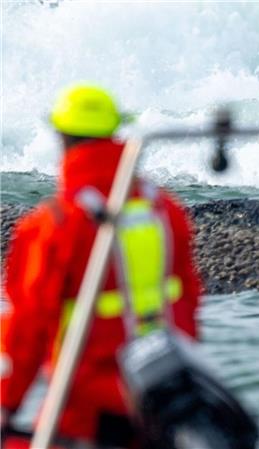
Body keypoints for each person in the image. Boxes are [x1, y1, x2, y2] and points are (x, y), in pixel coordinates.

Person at [0, 83, 202, 447]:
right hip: (163, 398)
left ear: (62, 139)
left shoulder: (54, 224)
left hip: (85, 408)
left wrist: (6, 405)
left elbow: (26, 329)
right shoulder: (164, 211)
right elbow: (187, 300)